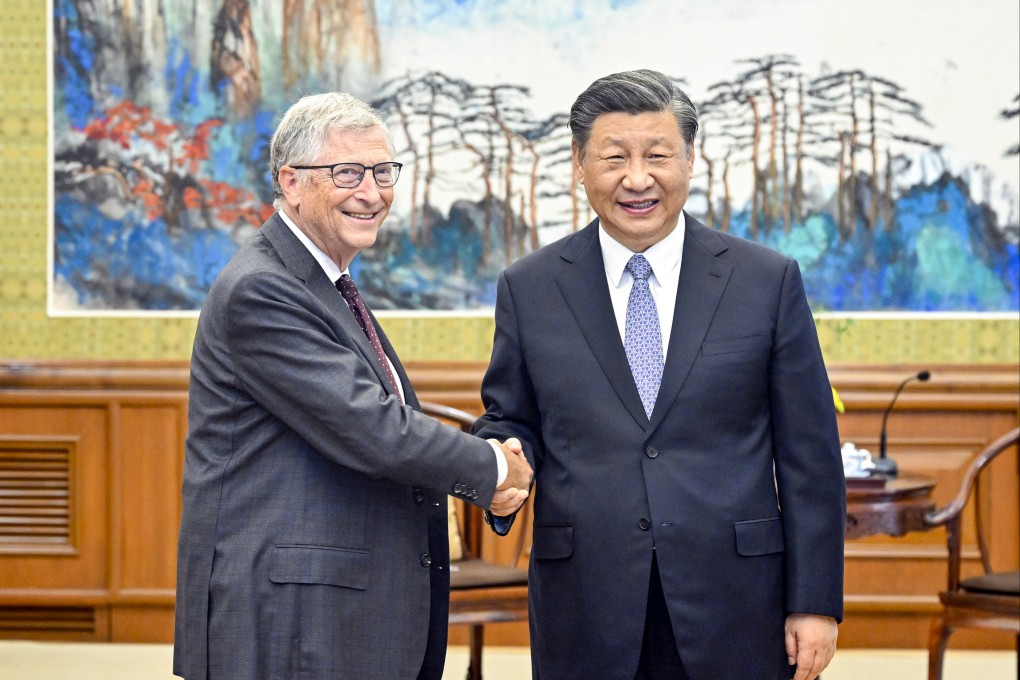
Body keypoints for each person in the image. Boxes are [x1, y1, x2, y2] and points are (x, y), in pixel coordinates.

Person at [473, 69, 845, 680]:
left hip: (736, 597)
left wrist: (814, 602)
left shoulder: (765, 280)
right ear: (579, 161)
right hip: (586, 597)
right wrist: (504, 454)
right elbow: (512, 416)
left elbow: (810, 457)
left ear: (690, 159)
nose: (637, 179)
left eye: (658, 155)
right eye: (614, 157)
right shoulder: (530, 286)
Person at [173, 91, 532, 680]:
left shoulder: (323, 280)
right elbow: (372, 428)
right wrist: (494, 470)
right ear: (290, 182)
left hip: (332, 609)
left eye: (383, 171)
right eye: (346, 172)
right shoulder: (262, 290)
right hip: (288, 619)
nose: (371, 192)